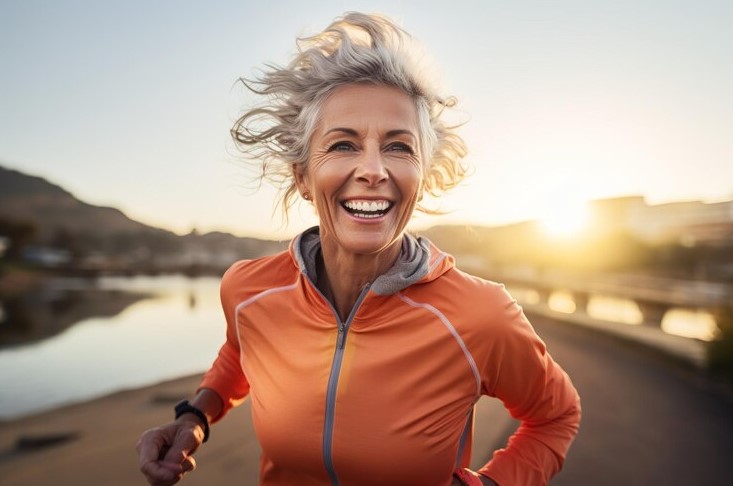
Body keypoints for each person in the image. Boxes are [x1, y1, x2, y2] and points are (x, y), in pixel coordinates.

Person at [136, 12, 581, 486]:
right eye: (344, 145)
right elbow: (240, 350)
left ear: (422, 178)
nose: (373, 169)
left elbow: (556, 416)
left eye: (399, 147)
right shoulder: (248, 289)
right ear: (303, 177)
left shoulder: (481, 316)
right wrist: (195, 418)